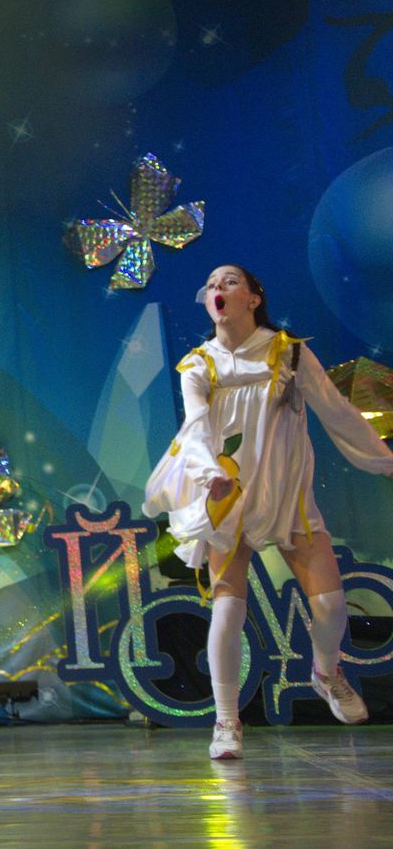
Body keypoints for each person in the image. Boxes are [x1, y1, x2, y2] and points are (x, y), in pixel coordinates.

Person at [144, 265, 393, 761]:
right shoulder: (199, 364)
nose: (218, 289)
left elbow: (336, 411)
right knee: (227, 609)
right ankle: (226, 721)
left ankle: (326, 671)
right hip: (229, 497)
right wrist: (209, 473)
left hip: (286, 498)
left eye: (230, 282)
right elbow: (194, 427)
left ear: (254, 298)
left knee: (331, 606)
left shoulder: (288, 352)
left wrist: (383, 461)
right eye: (211, 284)